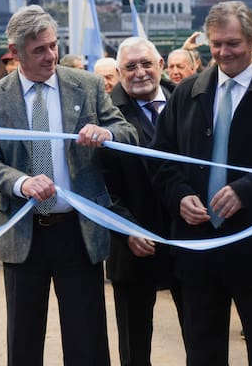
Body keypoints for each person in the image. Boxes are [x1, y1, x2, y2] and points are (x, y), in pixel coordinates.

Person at [151, 1, 252, 366]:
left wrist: (248, 191)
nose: (224, 52)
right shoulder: (187, 93)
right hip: (198, 249)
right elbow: (162, 157)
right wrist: (179, 195)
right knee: (202, 350)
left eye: (233, 44)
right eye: (216, 44)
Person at [0, 4, 137, 366]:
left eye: (53, 45)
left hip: (78, 234)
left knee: (87, 340)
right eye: (39, 50)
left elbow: (129, 132)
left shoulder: (87, 85)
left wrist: (106, 133)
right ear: (14, 53)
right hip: (23, 233)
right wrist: (21, 183)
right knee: (24, 340)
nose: (50, 55)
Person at [103, 37, 183, 366]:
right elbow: (98, 184)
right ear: (120, 72)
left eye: (146, 64)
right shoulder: (105, 112)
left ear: (161, 64)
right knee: (135, 345)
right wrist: (126, 230)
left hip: (185, 238)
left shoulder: (187, 101)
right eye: (130, 67)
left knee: (201, 333)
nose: (139, 73)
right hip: (132, 242)